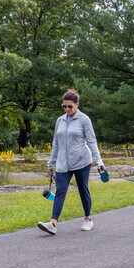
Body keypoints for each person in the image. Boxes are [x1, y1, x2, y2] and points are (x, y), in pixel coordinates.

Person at [37, 89, 105, 235]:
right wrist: (51, 163)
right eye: (64, 106)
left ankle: (88, 219)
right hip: (63, 163)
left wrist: (99, 161)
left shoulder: (84, 120)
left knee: (82, 188)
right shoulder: (59, 120)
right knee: (60, 190)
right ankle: (53, 224)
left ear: (77, 105)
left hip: (81, 161)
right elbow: (56, 143)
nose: (67, 109)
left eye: (70, 106)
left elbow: (92, 141)